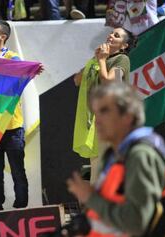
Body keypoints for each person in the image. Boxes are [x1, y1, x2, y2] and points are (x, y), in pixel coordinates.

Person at [67, 82, 165, 236]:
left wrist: (90, 198)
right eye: (96, 112)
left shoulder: (140, 156)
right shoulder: (115, 155)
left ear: (128, 116)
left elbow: (136, 223)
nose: (97, 120)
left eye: (105, 111)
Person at [72, 27, 136, 183]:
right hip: (97, 124)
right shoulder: (99, 59)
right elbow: (77, 80)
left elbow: (110, 82)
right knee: (97, 171)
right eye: (111, 33)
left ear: (124, 46)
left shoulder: (122, 59)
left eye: (116, 35)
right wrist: (96, 59)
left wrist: (101, 60)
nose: (111, 36)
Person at [0, 19, 30, 213]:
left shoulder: (13, 59)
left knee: (18, 172)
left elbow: (20, 82)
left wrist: (30, 71)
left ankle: (21, 210)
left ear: (3, 37)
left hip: (12, 127)